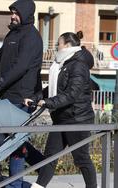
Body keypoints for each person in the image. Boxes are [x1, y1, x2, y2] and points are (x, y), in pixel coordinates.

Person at [0, 0, 44, 187]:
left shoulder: (32, 37)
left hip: (22, 97)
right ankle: (43, 165)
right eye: (12, 12)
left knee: (13, 143)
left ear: (27, 14)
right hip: (6, 96)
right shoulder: (11, 34)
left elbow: (21, 66)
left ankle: (16, 183)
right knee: (12, 141)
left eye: (16, 13)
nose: (13, 15)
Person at [24, 31, 97, 188]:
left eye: (59, 43)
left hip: (78, 119)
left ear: (68, 45)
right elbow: (54, 88)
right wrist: (36, 98)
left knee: (81, 158)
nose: (57, 46)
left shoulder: (78, 65)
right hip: (61, 118)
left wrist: (47, 102)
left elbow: (72, 94)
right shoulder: (63, 64)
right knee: (50, 157)